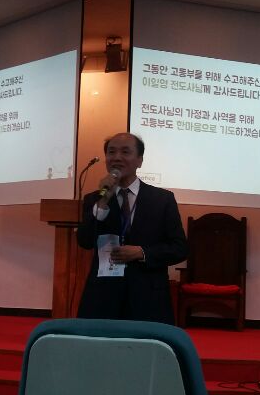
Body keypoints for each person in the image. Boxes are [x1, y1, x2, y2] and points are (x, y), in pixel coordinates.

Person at [76, 132, 188, 323]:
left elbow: (179, 248)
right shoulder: (95, 199)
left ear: (140, 160)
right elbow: (84, 241)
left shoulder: (162, 199)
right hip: (103, 297)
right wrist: (103, 201)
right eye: (111, 152)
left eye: (125, 152)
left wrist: (141, 252)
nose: (117, 157)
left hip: (148, 297)